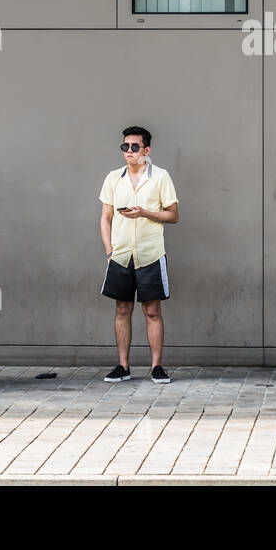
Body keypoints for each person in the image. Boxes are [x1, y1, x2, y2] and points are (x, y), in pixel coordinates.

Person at [98, 126, 179, 384]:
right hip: (120, 255)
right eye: (125, 147)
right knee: (122, 309)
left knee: (152, 311)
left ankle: (156, 366)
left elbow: (173, 214)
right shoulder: (113, 178)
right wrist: (109, 251)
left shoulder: (160, 177)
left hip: (151, 254)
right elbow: (105, 217)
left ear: (147, 150)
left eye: (135, 147)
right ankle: (123, 365)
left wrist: (144, 212)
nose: (129, 152)